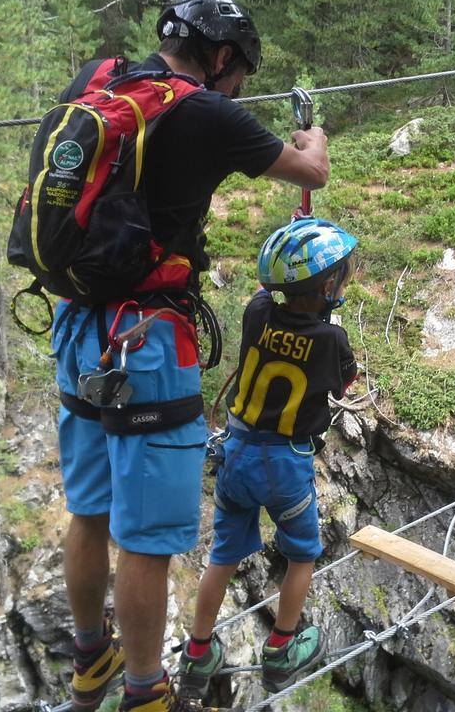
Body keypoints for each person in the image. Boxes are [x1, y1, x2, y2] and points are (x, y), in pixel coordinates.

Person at [56, 0, 329, 712]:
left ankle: (91, 659)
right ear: (218, 55)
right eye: (240, 69)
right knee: (145, 538)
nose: (241, 85)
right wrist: (313, 138)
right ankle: (146, 693)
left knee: (88, 511)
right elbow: (310, 173)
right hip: (146, 339)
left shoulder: (100, 79)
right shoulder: (208, 109)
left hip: (76, 321)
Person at [176, 217, 358, 701]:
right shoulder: (331, 340)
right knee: (302, 554)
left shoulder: (257, 313)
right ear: (326, 285)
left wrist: (289, 240)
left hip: (236, 455)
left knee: (224, 557)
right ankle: (281, 647)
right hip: (284, 466)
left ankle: (197, 652)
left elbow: (265, 288)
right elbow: (344, 384)